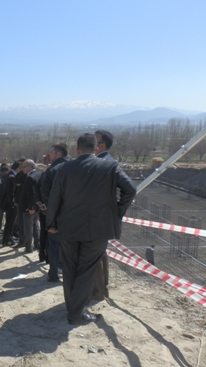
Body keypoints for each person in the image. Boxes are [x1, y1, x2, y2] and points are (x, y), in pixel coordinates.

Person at [46, 134, 136, 325]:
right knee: (87, 270)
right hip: (98, 229)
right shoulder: (110, 167)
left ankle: (73, 309)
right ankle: (76, 313)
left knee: (70, 269)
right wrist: (116, 212)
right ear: (96, 149)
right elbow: (130, 189)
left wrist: (51, 223)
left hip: (69, 227)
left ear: (77, 150)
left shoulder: (65, 168)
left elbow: (55, 198)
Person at [40, 144, 70, 281]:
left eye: (51, 153)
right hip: (75, 215)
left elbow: (46, 195)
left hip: (57, 215)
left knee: (54, 245)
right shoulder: (76, 167)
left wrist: (50, 218)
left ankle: (53, 274)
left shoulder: (51, 171)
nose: (49, 155)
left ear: (58, 154)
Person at [93, 129, 116, 300]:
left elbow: (128, 190)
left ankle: (99, 291)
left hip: (97, 217)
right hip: (100, 216)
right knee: (99, 254)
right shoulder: (105, 161)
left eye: (95, 142)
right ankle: (100, 289)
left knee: (96, 255)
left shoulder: (103, 163)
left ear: (101, 145)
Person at [18, 159, 41, 253]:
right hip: (37, 206)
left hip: (29, 208)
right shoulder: (39, 174)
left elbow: (31, 194)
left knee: (28, 227)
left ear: (29, 167)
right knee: (35, 225)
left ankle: (28, 247)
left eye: (23, 167)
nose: (22, 169)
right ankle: (37, 243)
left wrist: (31, 207)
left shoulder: (30, 178)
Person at [0, 161, 19, 247]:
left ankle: (8, 238)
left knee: (9, 223)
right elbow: (10, 193)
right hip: (10, 205)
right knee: (10, 223)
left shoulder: (9, 175)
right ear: (18, 168)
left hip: (7, 203)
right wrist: (12, 204)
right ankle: (6, 240)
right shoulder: (11, 177)